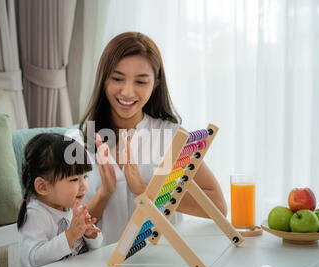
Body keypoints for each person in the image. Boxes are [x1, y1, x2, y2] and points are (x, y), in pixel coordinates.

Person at [78, 32, 228, 246]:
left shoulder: (172, 137)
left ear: (155, 84)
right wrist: (104, 193)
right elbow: (72, 228)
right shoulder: (82, 140)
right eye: (118, 78)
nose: (127, 92)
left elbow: (218, 206)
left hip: (161, 262)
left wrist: (143, 188)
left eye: (141, 81)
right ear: (104, 79)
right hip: (103, 266)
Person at [17, 133, 103, 267]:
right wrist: (71, 235)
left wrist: (90, 234)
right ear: (43, 187)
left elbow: (97, 245)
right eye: (74, 179)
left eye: (85, 176)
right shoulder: (35, 214)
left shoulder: (70, 205)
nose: (84, 186)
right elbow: (35, 260)